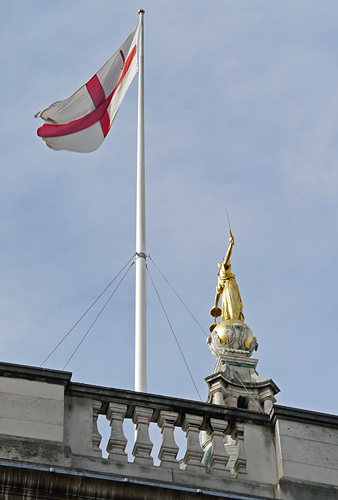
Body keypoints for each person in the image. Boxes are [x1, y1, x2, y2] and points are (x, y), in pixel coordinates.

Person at [210, 234, 244, 331]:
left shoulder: (220, 281)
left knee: (234, 307)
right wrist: (231, 245)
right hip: (229, 288)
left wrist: (215, 305)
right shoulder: (224, 271)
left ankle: (234, 319)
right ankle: (234, 320)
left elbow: (217, 294)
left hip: (229, 289)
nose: (229, 265)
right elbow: (227, 257)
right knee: (233, 307)